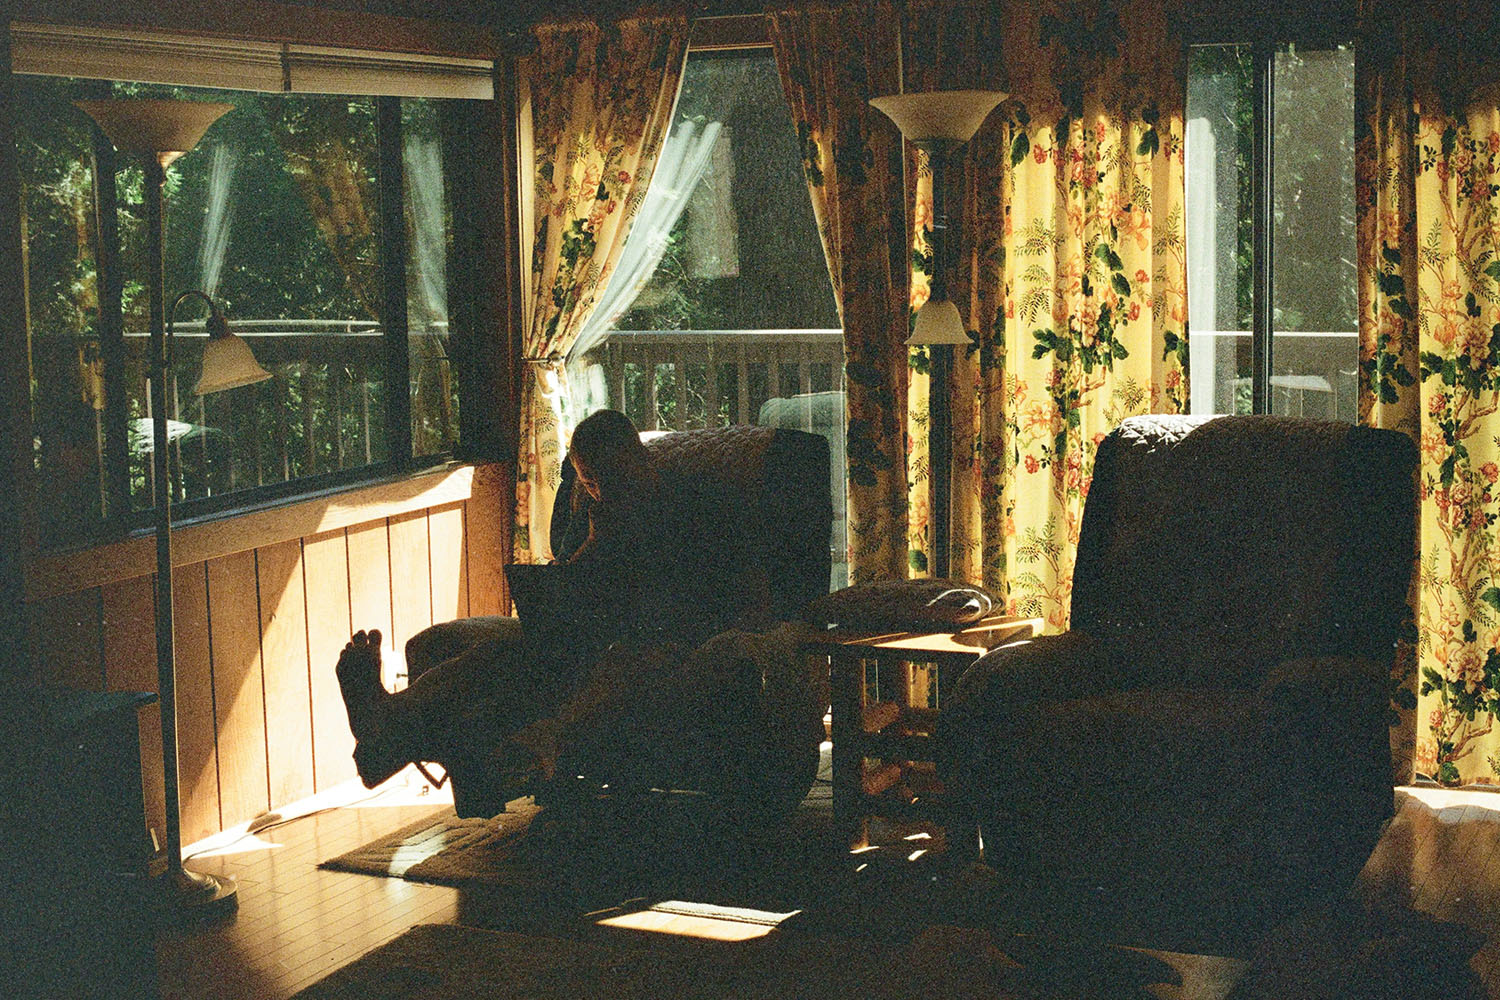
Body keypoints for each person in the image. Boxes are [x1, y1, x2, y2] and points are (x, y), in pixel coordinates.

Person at [333, 409, 692, 806]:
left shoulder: (675, 507)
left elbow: (673, 596)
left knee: (508, 658)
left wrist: (607, 546)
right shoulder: (592, 511)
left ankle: (383, 736)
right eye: (591, 482)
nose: (602, 492)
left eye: (612, 477)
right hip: (575, 635)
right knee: (493, 654)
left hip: (639, 639)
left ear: (639, 458)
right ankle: (387, 720)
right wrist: (579, 557)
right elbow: (565, 582)